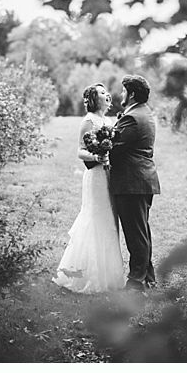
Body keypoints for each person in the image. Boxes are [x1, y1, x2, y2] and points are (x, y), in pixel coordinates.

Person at [53, 83, 125, 293]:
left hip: (109, 175)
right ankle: (86, 274)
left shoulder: (108, 120)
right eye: (102, 93)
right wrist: (96, 156)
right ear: (94, 99)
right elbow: (79, 151)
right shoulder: (89, 121)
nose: (107, 95)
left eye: (106, 92)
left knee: (109, 220)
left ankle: (109, 272)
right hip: (96, 176)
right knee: (95, 217)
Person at [109, 74, 161, 291]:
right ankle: (148, 276)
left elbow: (115, 147)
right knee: (141, 231)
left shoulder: (132, 118)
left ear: (131, 94)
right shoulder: (143, 113)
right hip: (141, 181)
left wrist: (101, 144)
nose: (121, 94)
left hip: (132, 182)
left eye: (123, 91)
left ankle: (136, 282)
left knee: (135, 234)